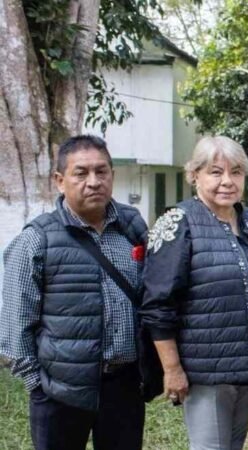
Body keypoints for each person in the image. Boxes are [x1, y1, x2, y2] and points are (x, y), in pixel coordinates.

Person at [0, 135, 149, 450]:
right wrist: (39, 386)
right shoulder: (37, 240)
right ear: (59, 180)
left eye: (102, 171)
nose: (93, 182)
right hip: (59, 392)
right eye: (81, 173)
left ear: (112, 175)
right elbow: (15, 328)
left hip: (123, 388)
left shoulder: (132, 228)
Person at [140, 136, 248, 450]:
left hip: (247, 369)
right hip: (205, 374)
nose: (227, 181)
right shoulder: (177, 222)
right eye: (215, 172)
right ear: (194, 175)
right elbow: (158, 303)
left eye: (236, 172)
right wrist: (171, 370)